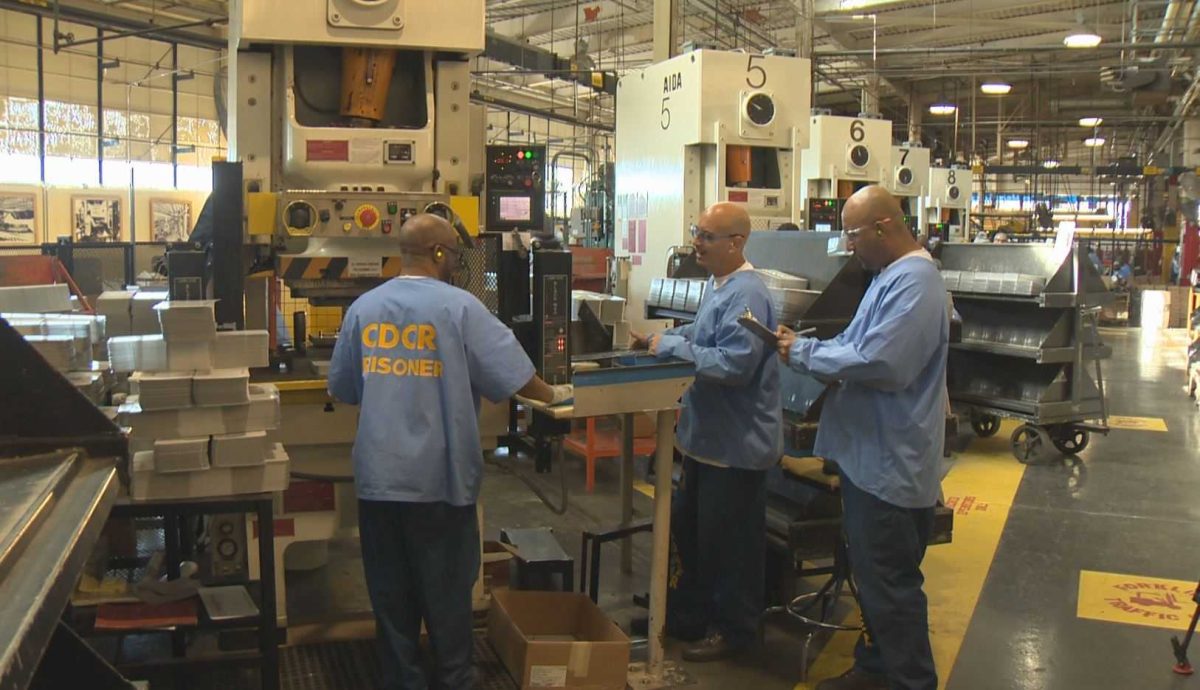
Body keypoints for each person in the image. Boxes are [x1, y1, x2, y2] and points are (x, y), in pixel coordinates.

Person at [328, 214, 571, 690]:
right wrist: (554, 395)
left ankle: (402, 680)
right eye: (456, 256)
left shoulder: (363, 308)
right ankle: (455, 680)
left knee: (391, 597)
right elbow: (516, 378)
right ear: (440, 253)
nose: (458, 266)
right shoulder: (462, 309)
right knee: (446, 596)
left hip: (380, 480)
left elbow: (343, 387)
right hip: (438, 480)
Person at [776, 186, 947, 690]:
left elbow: (883, 361)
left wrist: (805, 358)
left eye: (851, 234)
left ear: (881, 227)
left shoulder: (916, 282)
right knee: (872, 579)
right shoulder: (887, 278)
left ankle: (911, 681)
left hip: (888, 462)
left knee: (891, 585)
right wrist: (808, 344)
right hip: (867, 458)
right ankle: (875, 670)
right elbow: (857, 342)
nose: (848, 246)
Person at [633, 202, 782, 662]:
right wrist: (670, 341)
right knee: (692, 535)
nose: (696, 242)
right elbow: (702, 338)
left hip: (735, 448)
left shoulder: (748, 294)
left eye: (706, 236)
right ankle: (685, 616)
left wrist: (669, 346)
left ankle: (736, 631)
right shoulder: (719, 288)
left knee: (730, 546)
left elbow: (735, 364)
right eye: (696, 232)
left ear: (736, 242)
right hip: (705, 442)